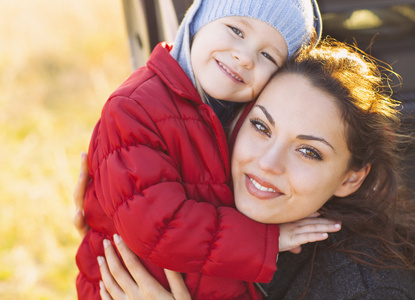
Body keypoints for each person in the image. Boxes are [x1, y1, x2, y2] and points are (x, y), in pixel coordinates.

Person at [75, 38, 415, 299]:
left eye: (308, 152)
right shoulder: (201, 203)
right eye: (261, 127)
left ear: (351, 177)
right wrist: (106, 220)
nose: (267, 163)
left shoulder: (363, 289)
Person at [76, 0, 325, 299]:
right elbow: (158, 226)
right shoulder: (135, 108)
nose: (244, 58)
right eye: (236, 30)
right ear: (197, 21)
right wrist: (267, 242)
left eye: (267, 55)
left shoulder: (239, 117)